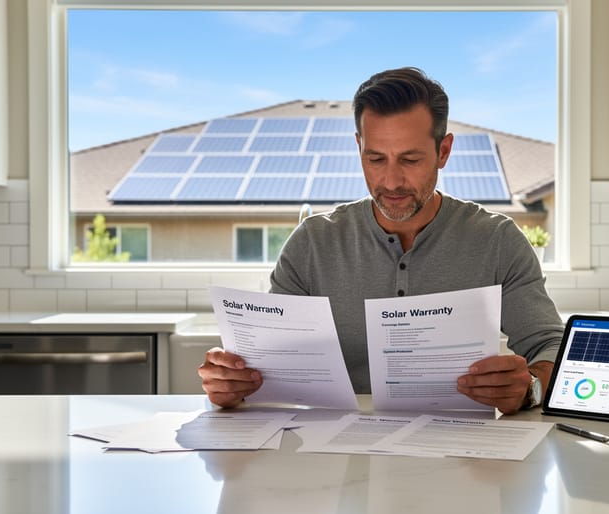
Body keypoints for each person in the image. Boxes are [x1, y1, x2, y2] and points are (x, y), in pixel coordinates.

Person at [199, 67, 565, 414]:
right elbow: (270, 366)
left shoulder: (497, 241)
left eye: (409, 159)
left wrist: (530, 387)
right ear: (359, 147)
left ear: (443, 151)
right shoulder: (312, 244)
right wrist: (232, 384)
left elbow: (552, 347)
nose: (390, 182)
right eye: (375, 158)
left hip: (460, 454)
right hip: (332, 460)